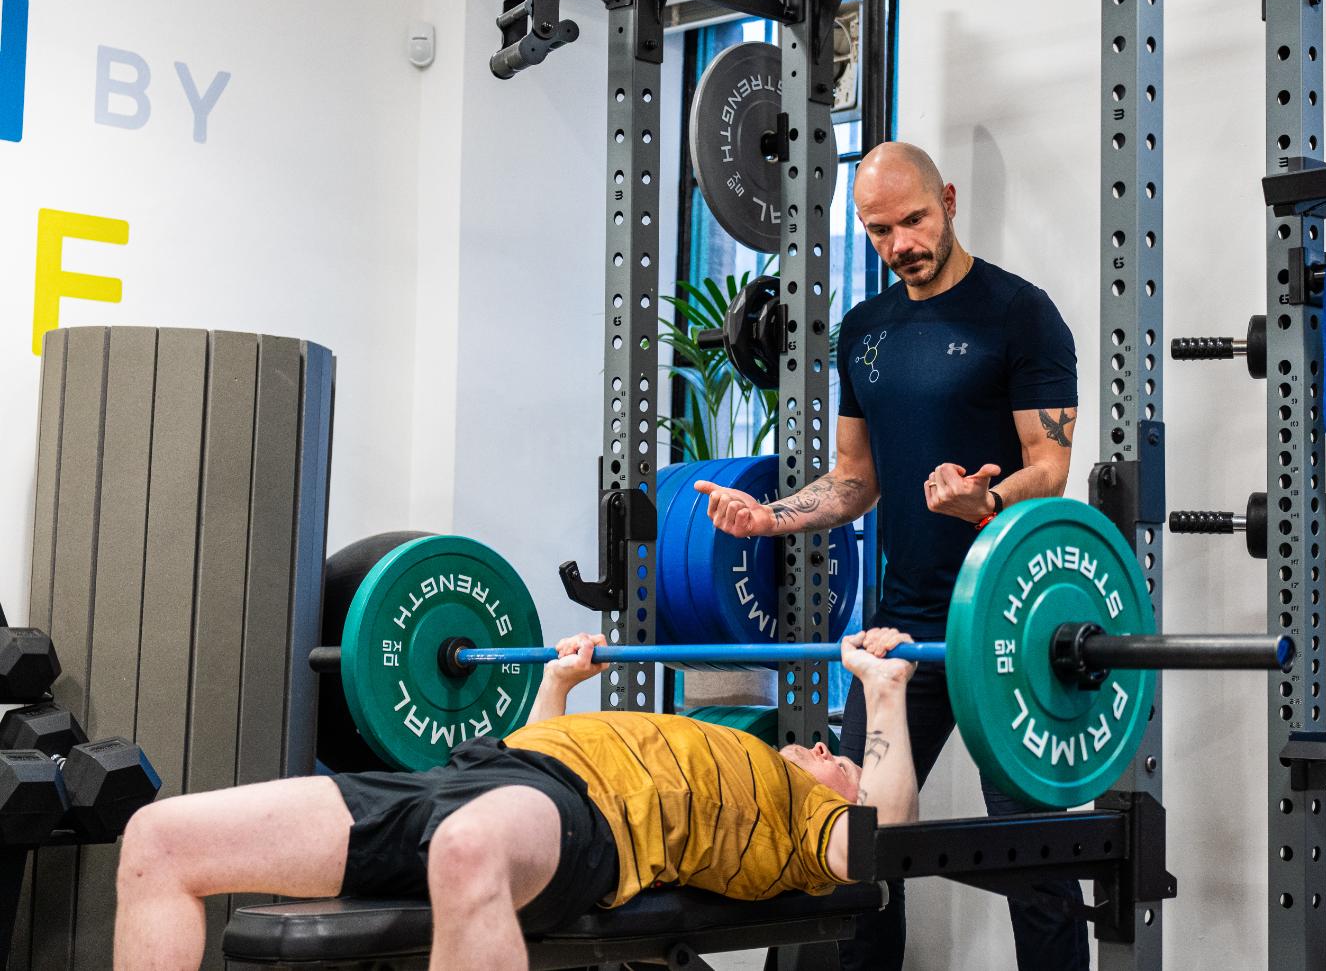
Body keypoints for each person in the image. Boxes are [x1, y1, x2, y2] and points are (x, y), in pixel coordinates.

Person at [692, 140, 1086, 971]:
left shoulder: (1022, 313)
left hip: (1008, 627)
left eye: (914, 219)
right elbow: (854, 480)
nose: (901, 242)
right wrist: (767, 517)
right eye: (879, 231)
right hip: (900, 636)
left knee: (1037, 863)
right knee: (859, 845)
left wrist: (987, 501)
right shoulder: (865, 330)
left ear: (946, 199)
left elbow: (1049, 467)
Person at [112, 627, 920, 971]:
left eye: (838, 757)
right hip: (472, 774)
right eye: (820, 742)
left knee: (471, 849)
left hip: (586, 819)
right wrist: (556, 683)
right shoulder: (734, 742)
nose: (822, 747)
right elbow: (537, 753)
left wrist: (884, 694)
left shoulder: (802, 819)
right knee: (158, 839)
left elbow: (880, 847)